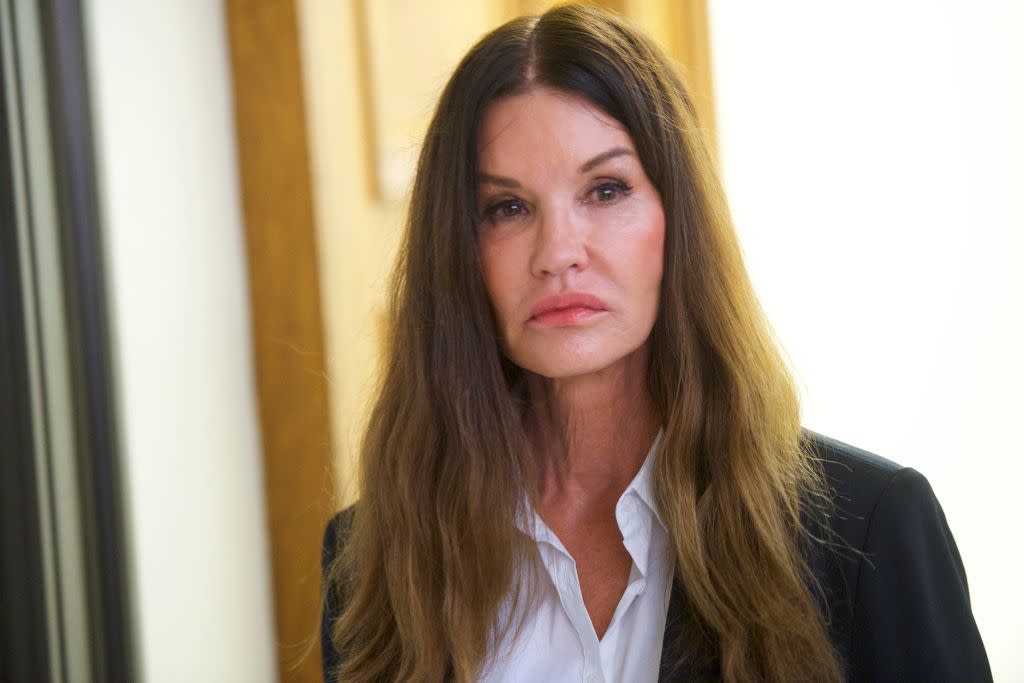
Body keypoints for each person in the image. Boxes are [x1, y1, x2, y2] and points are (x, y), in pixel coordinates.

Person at [320, 4, 991, 682]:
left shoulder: (867, 532)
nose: (557, 253)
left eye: (605, 190)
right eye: (507, 208)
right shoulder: (373, 557)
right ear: (457, 250)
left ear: (678, 218)